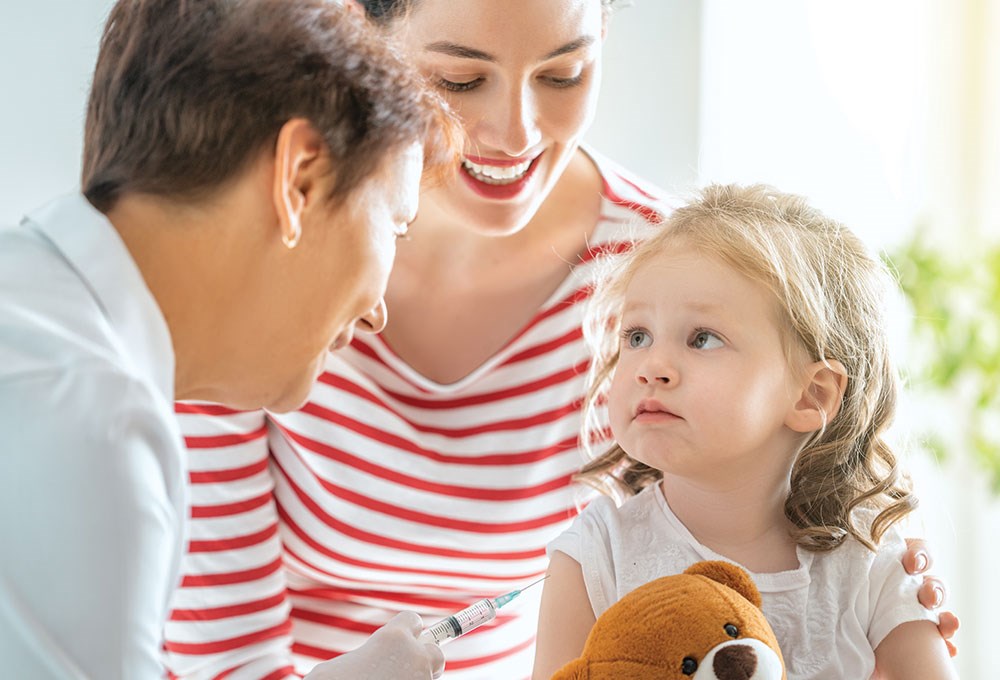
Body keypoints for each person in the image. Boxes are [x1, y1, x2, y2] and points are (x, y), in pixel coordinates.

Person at [165, 2, 957, 678]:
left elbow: (764, 491)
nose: (515, 132)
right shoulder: (263, 249)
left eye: (562, 74)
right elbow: (220, 633)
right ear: (354, 44)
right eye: (460, 80)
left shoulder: (667, 272)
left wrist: (865, 579)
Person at [0, 0, 459, 678]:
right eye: (394, 224)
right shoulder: (92, 423)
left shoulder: (32, 306)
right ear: (298, 176)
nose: (376, 318)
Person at [532, 184, 959, 679]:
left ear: (812, 395)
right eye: (638, 335)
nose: (652, 366)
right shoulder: (595, 558)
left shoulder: (871, 566)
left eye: (702, 338)